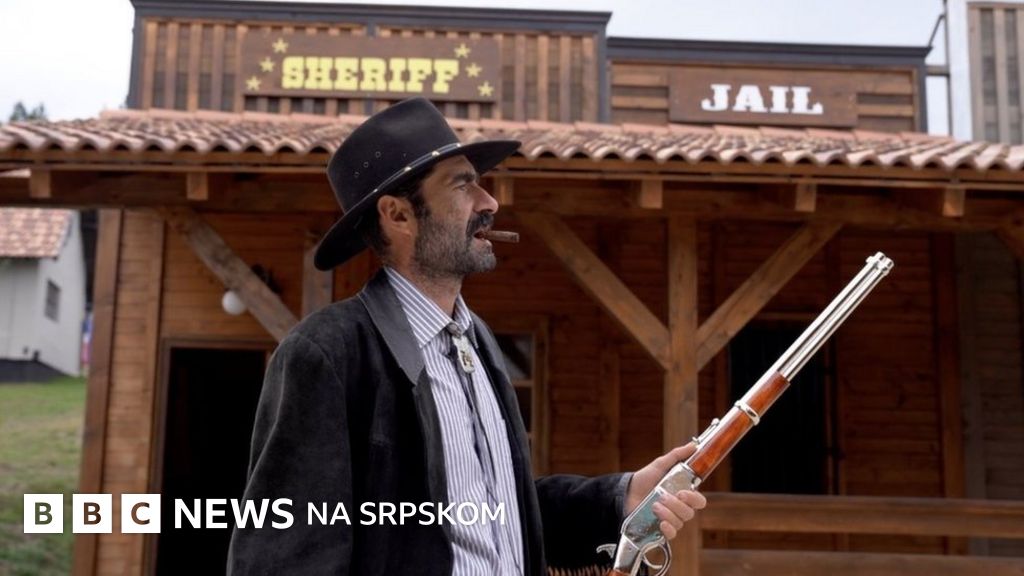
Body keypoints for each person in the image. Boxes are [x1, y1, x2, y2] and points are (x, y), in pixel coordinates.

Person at [226, 97, 705, 576]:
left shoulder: (479, 343)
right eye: (462, 185)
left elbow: (502, 514)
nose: (489, 202)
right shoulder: (326, 353)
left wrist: (621, 498)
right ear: (398, 215)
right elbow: (283, 556)